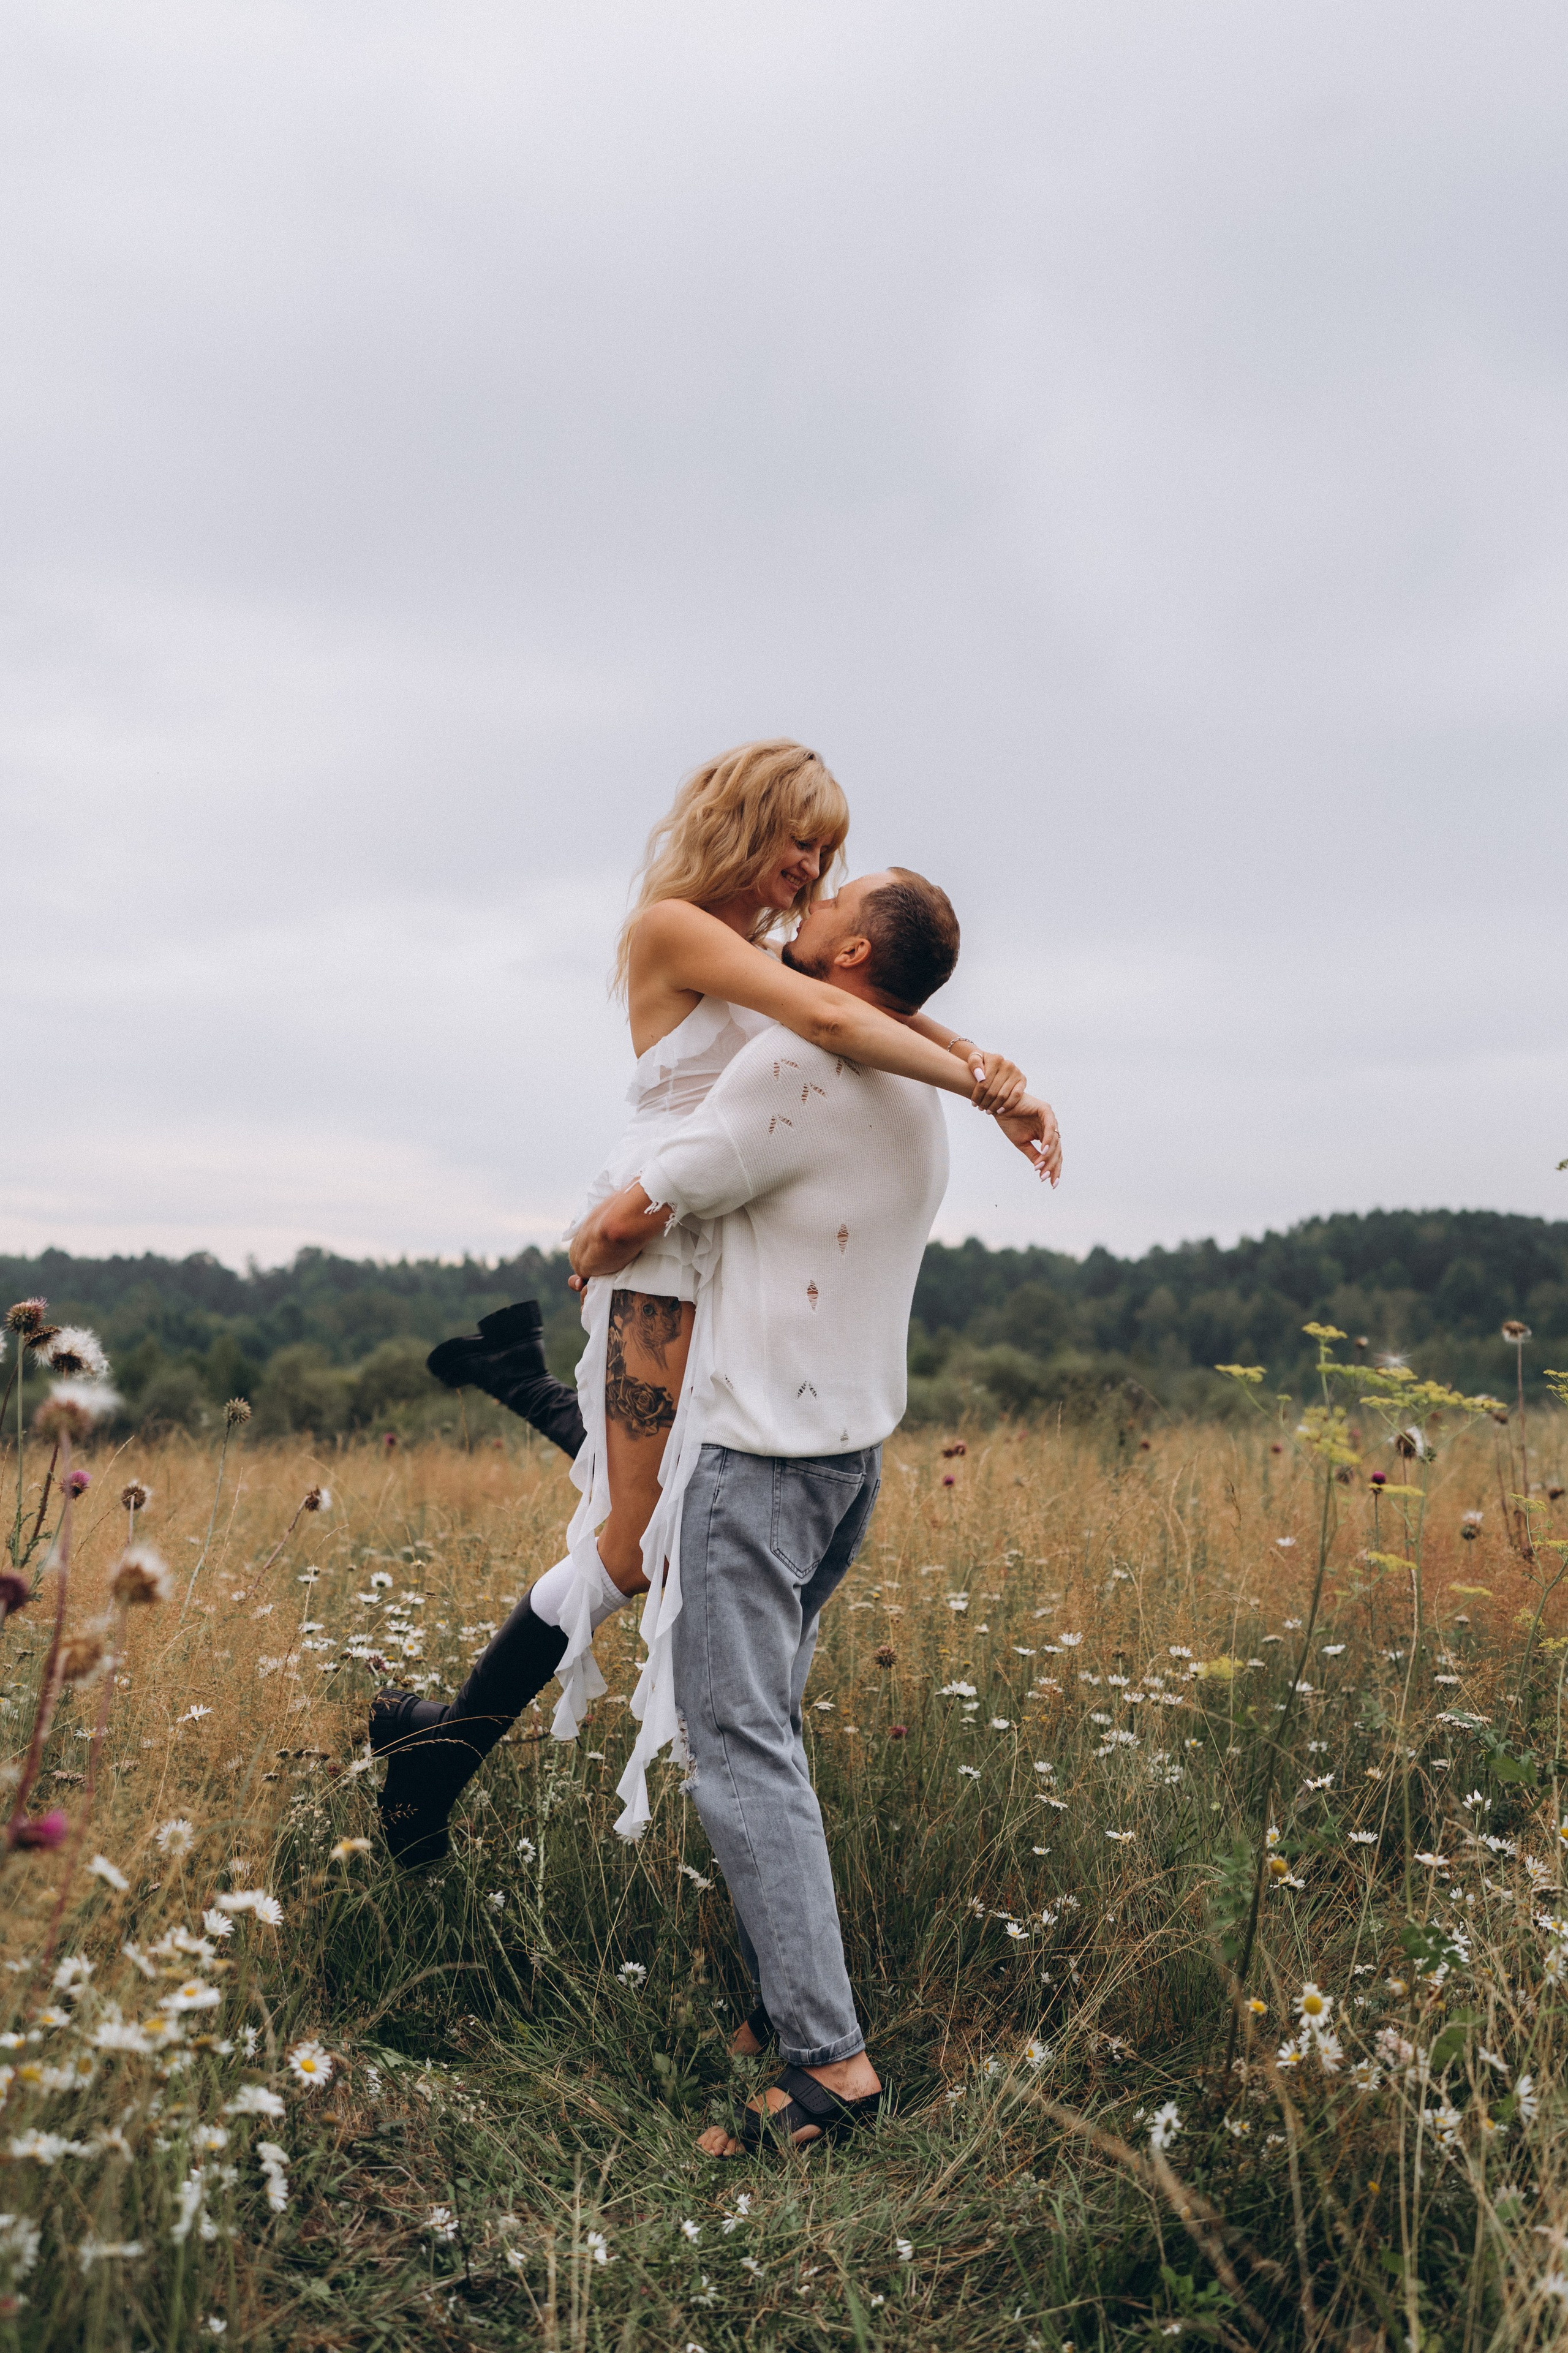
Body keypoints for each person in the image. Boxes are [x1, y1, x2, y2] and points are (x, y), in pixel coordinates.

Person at [373, 742, 1059, 1865]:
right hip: (656, 1245)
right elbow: (830, 1024)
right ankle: (433, 1755)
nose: (813, 865)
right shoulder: (675, 928)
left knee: (662, 1506)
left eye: (828, 851)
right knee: (635, 1548)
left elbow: (863, 1006)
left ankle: (434, 1732)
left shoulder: (773, 953)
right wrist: (985, 1096)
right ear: (744, 819)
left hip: (726, 1239)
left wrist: (987, 1064)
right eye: (802, 839)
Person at [570, 866, 1001, 2151]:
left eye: (829, 904)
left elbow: (652, 1197)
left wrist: (590, 1244)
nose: (801, 911)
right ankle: (780, 2003)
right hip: (846, 1460)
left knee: (737, 1745)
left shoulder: (792, 1069)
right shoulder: (916, 1094)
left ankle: (830, 2068)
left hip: (754, 1460)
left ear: (854, 951)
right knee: (771, 1732)